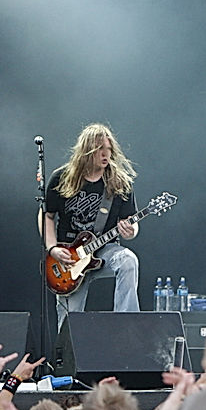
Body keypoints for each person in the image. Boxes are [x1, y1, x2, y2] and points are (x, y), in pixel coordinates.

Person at [45, 123, 141, 326]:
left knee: (128, 261)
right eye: (100, 149)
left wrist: (130, 231)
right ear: (87, 150)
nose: (106, 154)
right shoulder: (61, 178)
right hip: (69, 256)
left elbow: (130, 222)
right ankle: (67, 356)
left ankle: (127, 325)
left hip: (105, 250)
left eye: (109, 149)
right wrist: (52, 248)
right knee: (68, 323)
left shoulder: (119, 182)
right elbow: (47, 215)